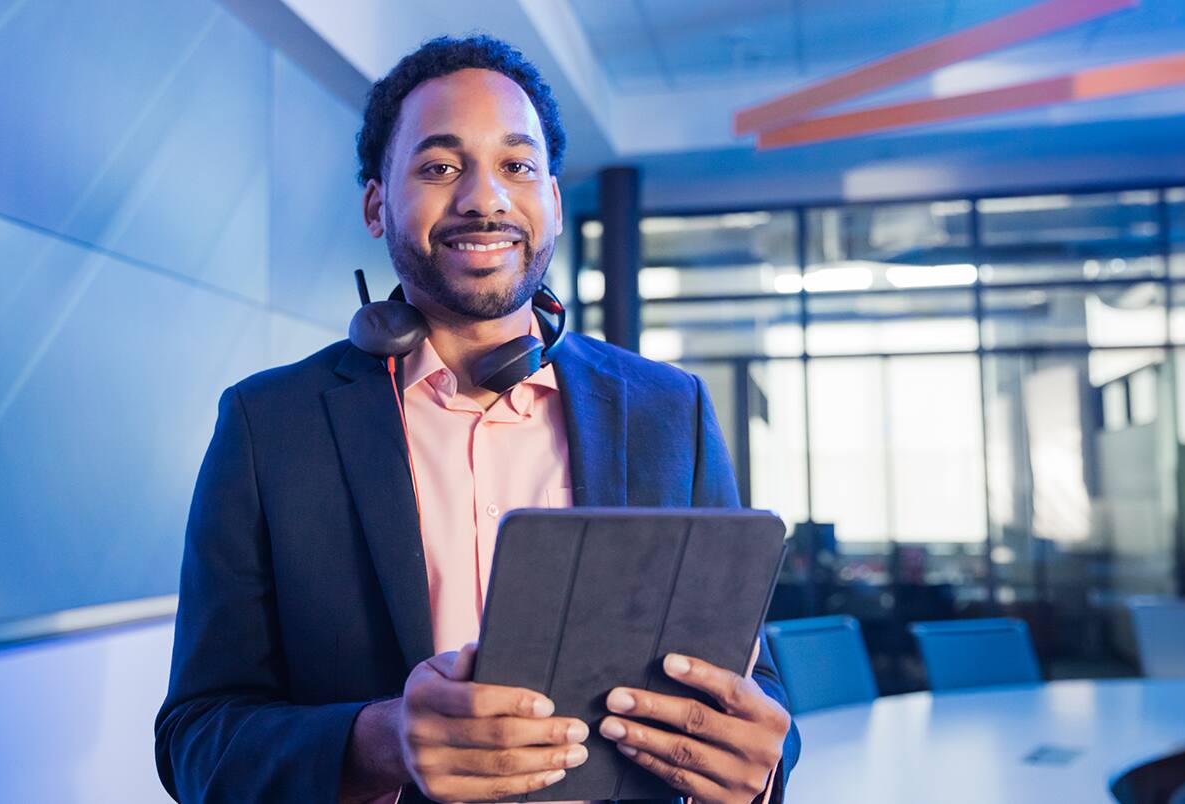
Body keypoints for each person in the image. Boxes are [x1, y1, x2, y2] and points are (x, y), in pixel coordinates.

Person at [155, 35, 799, 804]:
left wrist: (763, 765)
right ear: (375, 203)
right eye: (439, 167)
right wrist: (384, 741)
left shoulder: (670, 411)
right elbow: (197, 740)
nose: (483, 198)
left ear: (553, 201)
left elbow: (748, 683)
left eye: (517, 165)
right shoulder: (270, 425)